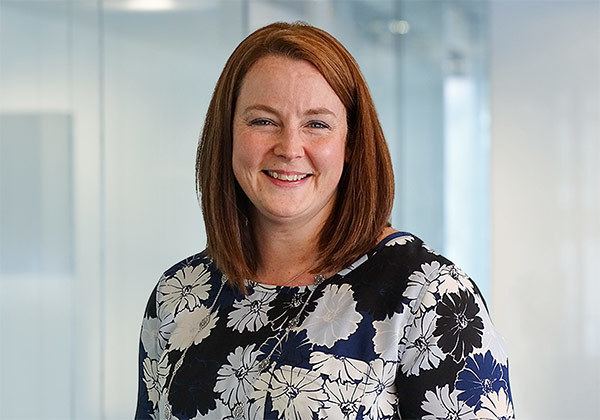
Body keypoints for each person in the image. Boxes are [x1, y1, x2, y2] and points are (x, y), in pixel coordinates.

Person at [135, 22, 514, 420]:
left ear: (350, 143)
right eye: (263, 121)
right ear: (227, 134)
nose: (289, 148)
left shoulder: (427, 295)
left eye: (316, 124)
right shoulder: (178, 294)